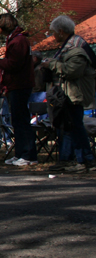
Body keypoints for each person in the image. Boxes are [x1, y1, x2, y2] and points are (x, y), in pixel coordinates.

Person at [39, 15, 96, 173]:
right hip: (65, 94)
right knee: (68, 127)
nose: (53, 36)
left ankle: (87, 160)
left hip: (73, 93)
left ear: (61, 31)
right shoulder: (67, 46)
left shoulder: (76, 48)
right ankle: (67, 159)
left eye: (54, 32)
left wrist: (51, 64)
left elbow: (72, 71)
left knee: (76, 126)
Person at [0, 14, 37, 167]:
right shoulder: (16, 39)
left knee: (22, 121)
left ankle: (28, 154)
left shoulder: (18, 41)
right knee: (17, 121)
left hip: (20, 84)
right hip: (16, 84)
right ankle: (20, 153)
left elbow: (13, 64)